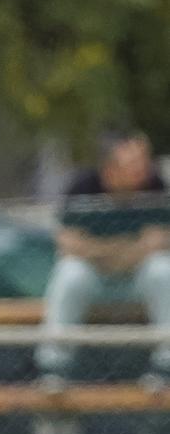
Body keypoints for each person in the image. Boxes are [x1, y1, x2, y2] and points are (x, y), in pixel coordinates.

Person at [36, 130, 170, 383]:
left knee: (162, 271)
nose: (142, 169)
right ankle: (54, 368)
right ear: (110, 169)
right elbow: (68, 244)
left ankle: (166, 364)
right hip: (94, 281)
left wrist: (97, 249)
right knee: (70, 274)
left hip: (136, 281)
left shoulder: (156, 188)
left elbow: (160, 242)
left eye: (143, 161)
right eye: (133, 163)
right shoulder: (83, 187)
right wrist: (131, 248)